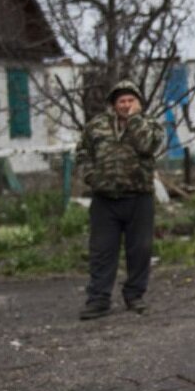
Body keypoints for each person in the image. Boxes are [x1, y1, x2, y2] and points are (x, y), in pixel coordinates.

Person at [75, 80, 164, 320]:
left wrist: (134, 120)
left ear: (139, 103)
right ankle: (98, 300)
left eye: (130, 100)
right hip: (105, 199)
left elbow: (147, 146)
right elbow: (82, 153)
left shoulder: (151, 125)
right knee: (101, 251)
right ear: (113, 104)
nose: (126, 105)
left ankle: (135, 296)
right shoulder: (96, 127)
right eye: (121, 101)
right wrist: (91, 176)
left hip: (139, 197)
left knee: (140, 250)